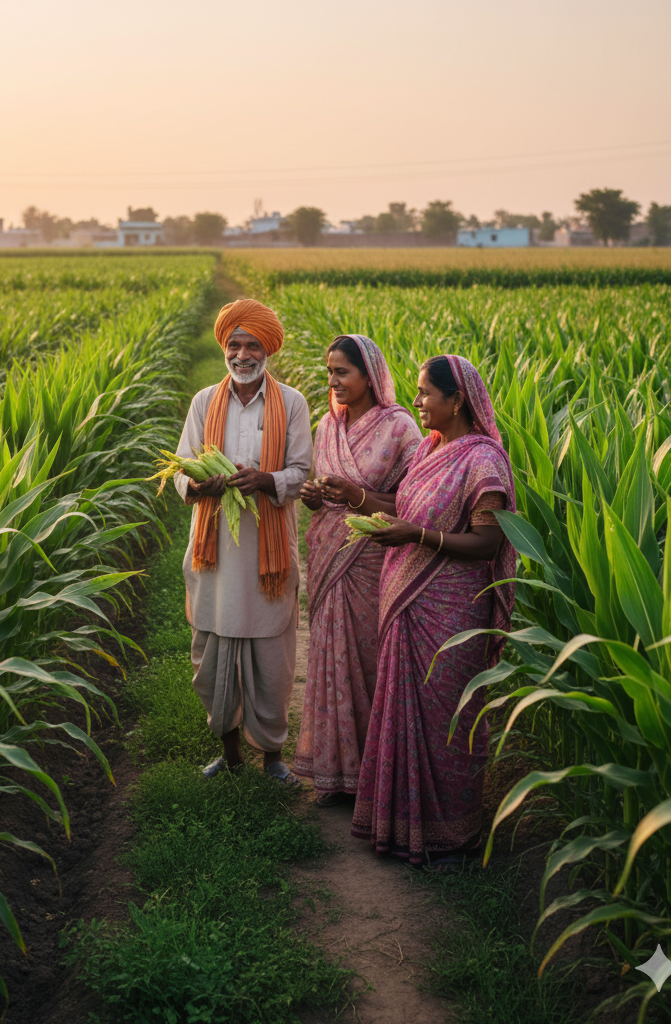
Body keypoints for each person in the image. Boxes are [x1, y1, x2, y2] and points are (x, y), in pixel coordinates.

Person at [350, 354, 516, 869]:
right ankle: (400, 825)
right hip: (410, 603)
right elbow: (407, 511)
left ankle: (451, 835)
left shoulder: (482, 461)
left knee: (447, 718)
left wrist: (415, 536)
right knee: (405, 709)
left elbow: (489, 544)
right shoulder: (428, 449)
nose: (417, 401)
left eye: (425, 393)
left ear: (457, 399)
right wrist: (357, 500)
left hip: (452, 613)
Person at [173, 298, 312, 783]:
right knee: (212, 653)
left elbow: (300, 472)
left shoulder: (292, 402)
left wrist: (266, 481)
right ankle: (230, 755)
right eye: (234, 343)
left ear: (267, 349)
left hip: (267, 551)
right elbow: (181, 468)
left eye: (252, 344)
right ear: (224, 348)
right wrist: (198, 485)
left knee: (272, 658)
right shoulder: (203, 401)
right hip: (214, 552)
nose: (242, 353)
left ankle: (273, 757)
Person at [294, 335, 421, 806]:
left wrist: (355, 496)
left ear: (369, 374)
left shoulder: (401, 429)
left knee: (370, 663)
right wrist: (316, 499)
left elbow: (413, 504)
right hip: (330, 557)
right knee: (331, 658)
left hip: (374, 561)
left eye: (341, 372)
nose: (333, 381)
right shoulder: (327, 423)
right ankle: (336, 771)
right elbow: (326, 497)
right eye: (329, 372)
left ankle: (374, 772)